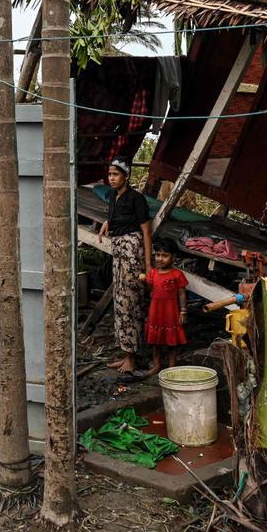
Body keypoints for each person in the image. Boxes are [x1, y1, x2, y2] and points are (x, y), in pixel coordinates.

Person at [98, 159, 152, 374]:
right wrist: (107, 222)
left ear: (126, 176)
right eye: (110, 174)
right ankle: (126, 353)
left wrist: (148, 264)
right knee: (120, 300)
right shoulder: (113, 196)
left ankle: (133, 356)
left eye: (116, 174)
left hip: (132, 248)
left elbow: (146, 231)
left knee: (130, 300)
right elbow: (115, 217)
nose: (112, 178)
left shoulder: (136, 198)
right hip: (118, 247)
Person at [144, 238, 187, 375]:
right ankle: (156, 366)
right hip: (155, 311)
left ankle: (171, 367)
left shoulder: (177, 274)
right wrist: (143, 281)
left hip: (171, 312)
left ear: (173, 257)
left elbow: (182, 295)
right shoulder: (152, 273)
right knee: (156, 341)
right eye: (157, 255)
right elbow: (150, 290)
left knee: (172, 341)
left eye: (165, 255)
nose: (160, 259)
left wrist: (183, 311)